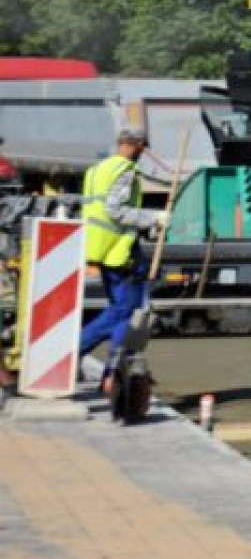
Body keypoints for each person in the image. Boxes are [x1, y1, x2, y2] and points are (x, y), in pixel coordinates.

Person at [78, 126, 167, 393]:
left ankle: (113, 373)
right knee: (124, 311)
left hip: (101, 248)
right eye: (143, 147)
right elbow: (116, 211)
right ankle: (79, 353)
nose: (143, 152)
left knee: (126, 312)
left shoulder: (97, 170)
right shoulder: (124, 171)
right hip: (119, 251)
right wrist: (154, 218)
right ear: (136, 144)